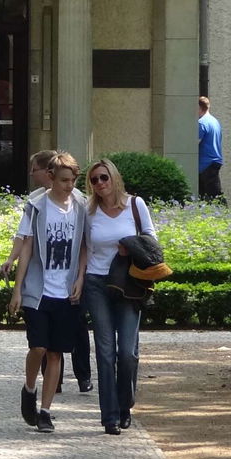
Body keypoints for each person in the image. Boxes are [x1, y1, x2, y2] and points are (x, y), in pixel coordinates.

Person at [0, 150, 92, 393]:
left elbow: (84, 244)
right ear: (52, 176)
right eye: (64, 180)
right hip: (39, 287)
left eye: (73, 180)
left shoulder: (81, 204)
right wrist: (17, 287)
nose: (69, 185)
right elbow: (26, 240)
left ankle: (46, 410)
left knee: (57, 351)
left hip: (66, 287)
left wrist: (81, 278)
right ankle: (29, 388)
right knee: (39, 347)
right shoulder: (37, 204)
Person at [78, 157, 156, 434]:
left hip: (128, 283)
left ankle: (125, 405)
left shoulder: (136, 205)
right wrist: (79, 280)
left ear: (114, 178)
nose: (99, 183)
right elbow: (84, 248)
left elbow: (151, 239)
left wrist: (131, 246)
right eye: (94, 180)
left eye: (104, 177)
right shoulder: (88, 212)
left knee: (127, 352)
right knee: (105, 351)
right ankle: (109, 416)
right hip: (97, 283)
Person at [197, 96, 225, 201]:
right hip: (215, 161)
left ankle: (224, 212)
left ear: (199, 108)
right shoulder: (214, 121)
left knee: (214, 194)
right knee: (207, 195)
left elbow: (193, 144)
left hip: (206, 163)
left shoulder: (201, 123)